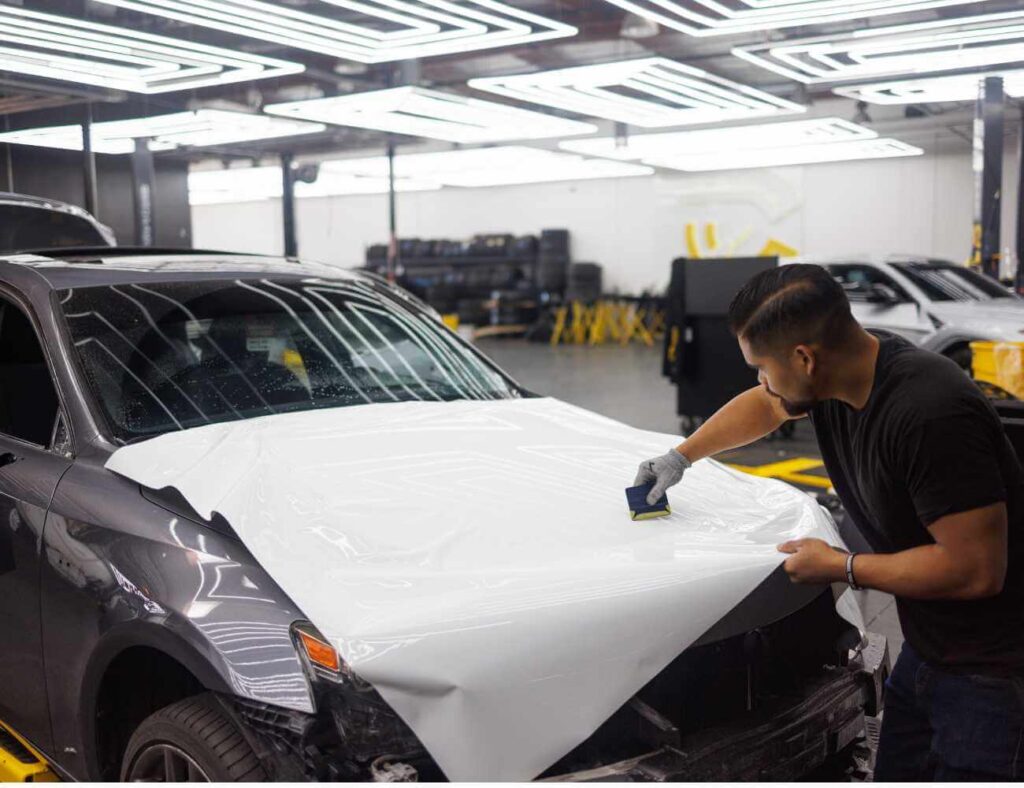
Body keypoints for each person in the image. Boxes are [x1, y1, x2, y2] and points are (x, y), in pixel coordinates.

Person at [634, 263, 1024, 781]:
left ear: (804, 358)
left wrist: (843, 566)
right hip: (929, 649)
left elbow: (975, 570)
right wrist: (681, 457)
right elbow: (767, 406)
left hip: (995, 673)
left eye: (763, 366)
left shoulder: (930, 415)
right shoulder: (845, 370)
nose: (760, 380)